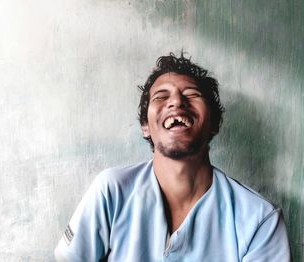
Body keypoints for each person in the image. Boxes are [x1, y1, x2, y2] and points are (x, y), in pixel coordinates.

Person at [55, 53, 291, 261]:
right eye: (161, 96)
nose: (177, 101)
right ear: (145, 126)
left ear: (214, 124)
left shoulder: (260, 219)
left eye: (192, 94)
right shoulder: (112, 190)